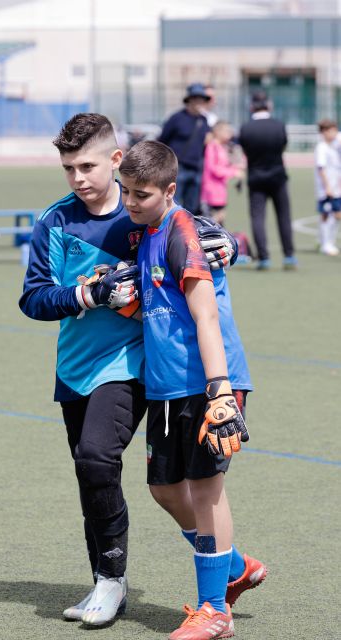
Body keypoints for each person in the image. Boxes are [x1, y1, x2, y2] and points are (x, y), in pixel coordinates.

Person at [18, 113, 237, 627]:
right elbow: (32, 297)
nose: (78, 178)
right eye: (68, 168)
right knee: (92, 472)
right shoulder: (56, 221)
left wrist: (231, 245)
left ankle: (110, 583)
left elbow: (198, 237)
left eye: (88, 166)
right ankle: (229, 561)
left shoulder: (142, 209)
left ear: (116, 160)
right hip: (75, 368)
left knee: (98, 456)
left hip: (137, 364)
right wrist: (85, 294)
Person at [119, 140, 266, 640]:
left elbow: (204, 315)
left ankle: (213, 611)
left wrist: (221, 392)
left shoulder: (184, 232)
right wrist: (123, 303)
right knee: (164, 489)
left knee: (206, 491)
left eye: (142, 193)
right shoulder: (147, 234)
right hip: (164, 387)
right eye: (126, 192)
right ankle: (233, 568)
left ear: (169, 189)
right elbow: (164, 308)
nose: (131, 202)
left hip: (206, 382)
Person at [239, 90, 297, 270]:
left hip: (256, 176)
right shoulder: (278, 125)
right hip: (278, 175)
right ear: (269, 105)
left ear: (251, 107)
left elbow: (245, 150)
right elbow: (283, 145)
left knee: (258, 217)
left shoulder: (246, 128)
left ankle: (264, 257)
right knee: (283, 216)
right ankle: (289, 256)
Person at [158, 83, 210, 214]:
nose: (199, 102)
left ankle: (188, 233)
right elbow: (162, 140)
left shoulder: (204, 121)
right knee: (173, 203)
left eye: (202, 99)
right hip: (178, 167)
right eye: (196, 98)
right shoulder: (176, 118)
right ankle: (171, 232)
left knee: (192, 207)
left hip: (197, 168)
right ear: (189, 100)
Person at [201, 121, 244, 225]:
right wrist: (234, 172)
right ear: (218, 132)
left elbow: (224, 165)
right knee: (211, 225)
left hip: (220, 192)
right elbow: (213, 169)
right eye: (227, 131)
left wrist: (236, 167)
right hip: (211, 192)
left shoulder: (222, 147)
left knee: (219, 225)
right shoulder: (212, 147)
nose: (230, 134)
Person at [314, 118, 341, 256]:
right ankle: (326, 243)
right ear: (324, 132)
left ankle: (324, 240)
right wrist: (327, 187)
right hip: (326, 188)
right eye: (331, 131)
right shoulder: (322, 147)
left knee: (336, 215)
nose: (334, 133)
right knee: (327, 214)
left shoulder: (335, 144)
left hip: (337, 187)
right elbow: (321, 169)